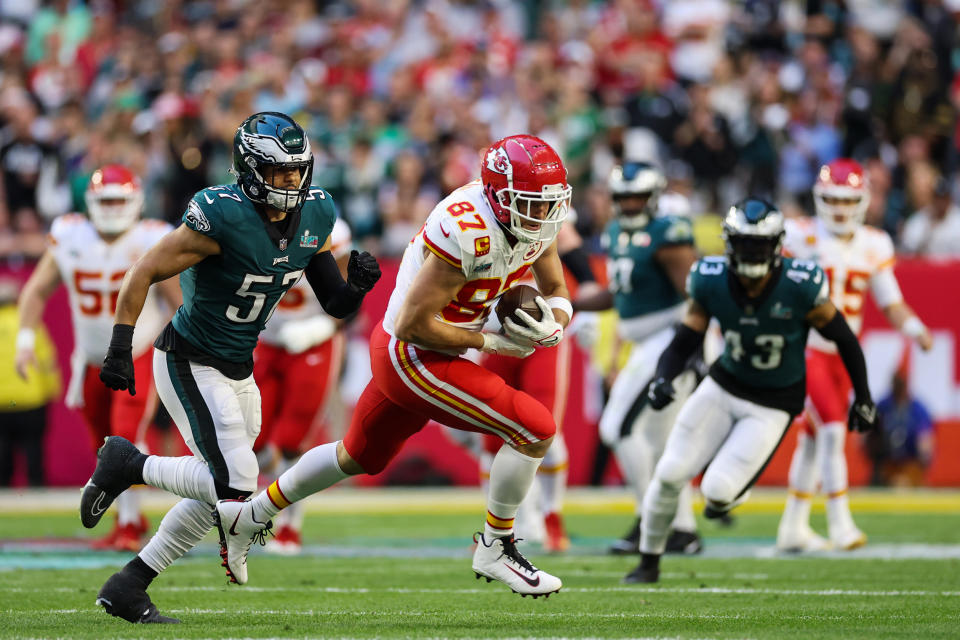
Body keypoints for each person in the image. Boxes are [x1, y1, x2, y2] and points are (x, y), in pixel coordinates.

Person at [216, 134, 573, 598]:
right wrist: (495, 343)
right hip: (411, 354)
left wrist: (555, 323)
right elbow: (409, 324)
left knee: (357, 455)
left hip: (431, 350)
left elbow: (557, 288)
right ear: (499, 197)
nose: (541, 215)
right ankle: (496, 545)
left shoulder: (531, 222)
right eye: (530, 203)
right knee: (534, 427)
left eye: (546, 204)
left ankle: (251, 515)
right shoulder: (469, 228)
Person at [76, 112, 381, 624]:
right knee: (237, 479)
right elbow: (144, 271)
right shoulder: (221, 214)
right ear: (250, 169)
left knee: (229, 484)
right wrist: (120, 346)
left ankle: (129, 584)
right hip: (188, 357)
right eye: (281, 172)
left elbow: (333, 300)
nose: (294, 182)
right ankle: (129, 464)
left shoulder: (316, 213)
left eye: (298, 171)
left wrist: (357, 288)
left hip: (239, 366)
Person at [625, 198, 878, 584]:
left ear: (776, 245)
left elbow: (844, 338)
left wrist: (862, 395)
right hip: (723, 385)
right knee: (670, 472)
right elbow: (684, 340)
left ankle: (725, 499)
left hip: (772, 404)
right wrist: (664, 377)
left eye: (759, 244)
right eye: (744, 243)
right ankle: (648, 562)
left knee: (716, 492)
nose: (752, 252)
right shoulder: (709, 278)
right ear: (730, 243)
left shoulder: (799, 285)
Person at [16, 165, 179, 549]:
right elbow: (37, 290)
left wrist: (167, 350)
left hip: (136, 352)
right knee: (102, 444)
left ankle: (126, 525)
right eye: (104, 200)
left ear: (136, 201)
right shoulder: (70, 234)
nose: (110, 208)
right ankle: (132, 518)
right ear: (89, 202)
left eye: (118, 200)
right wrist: (24, 341)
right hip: (90, 357)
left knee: (126, 435)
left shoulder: (153, 237)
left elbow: (177, 303)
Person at [776, 159, 932, 552]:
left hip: (843, 357)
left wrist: (914, 327)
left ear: (862, 201)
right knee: (831, 430)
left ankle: (792, 528)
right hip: (806, 348)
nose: (840, 209)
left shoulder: (874, 243)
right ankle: (840, 523)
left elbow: (890, 301)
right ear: (818, 198)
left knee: (812, 443)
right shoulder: (799, 235)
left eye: (847, 200)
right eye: (831, 199)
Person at [573, 162, 702, 555]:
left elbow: (697, 295)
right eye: (623, 198)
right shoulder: (615, 232)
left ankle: (653, 521)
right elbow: (620, 293)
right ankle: (681, 528)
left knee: (619, 428)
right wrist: (569, 304)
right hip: (643, 343)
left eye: (637, 197)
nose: (630, 205)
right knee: (660, 442)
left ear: (654, 197)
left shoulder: (669, 232)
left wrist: (695, 350)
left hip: (670, 340)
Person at [254, 217, 352, 554]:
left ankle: (288, 527)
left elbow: (348, 303)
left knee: (292, 440)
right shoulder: (258, 229)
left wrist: (316, 331)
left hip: (313, 342)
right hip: (267, 340)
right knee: (253, 437)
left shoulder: (330, 233)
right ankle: (269, 498)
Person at [2, 277, 60, 486]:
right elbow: (45, 360)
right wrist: (52, 389)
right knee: (34, 451)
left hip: (2, 403)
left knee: (2, 457)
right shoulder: (30, 326)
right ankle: (37, 490)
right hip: (31, 400)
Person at [870, 368, 935, 487]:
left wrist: (923, 460)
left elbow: (925, 442)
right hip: (887, 465)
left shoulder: (918, 409)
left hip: (911, 465)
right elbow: (869, 434)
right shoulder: (883, 406)